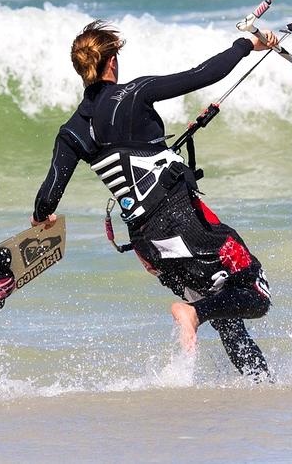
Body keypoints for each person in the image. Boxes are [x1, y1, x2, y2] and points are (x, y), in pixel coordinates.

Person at [31, 20, 278, 380]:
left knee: (225, 315)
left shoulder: (71, 131)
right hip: (183, 224)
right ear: (111, 60)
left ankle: (262, 385)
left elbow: (49, 194)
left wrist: (42, 217)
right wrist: (247, 44)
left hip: (150, 247)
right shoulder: (135, 92)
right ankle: (192, 315)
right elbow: (204, 74)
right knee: (255, 292)